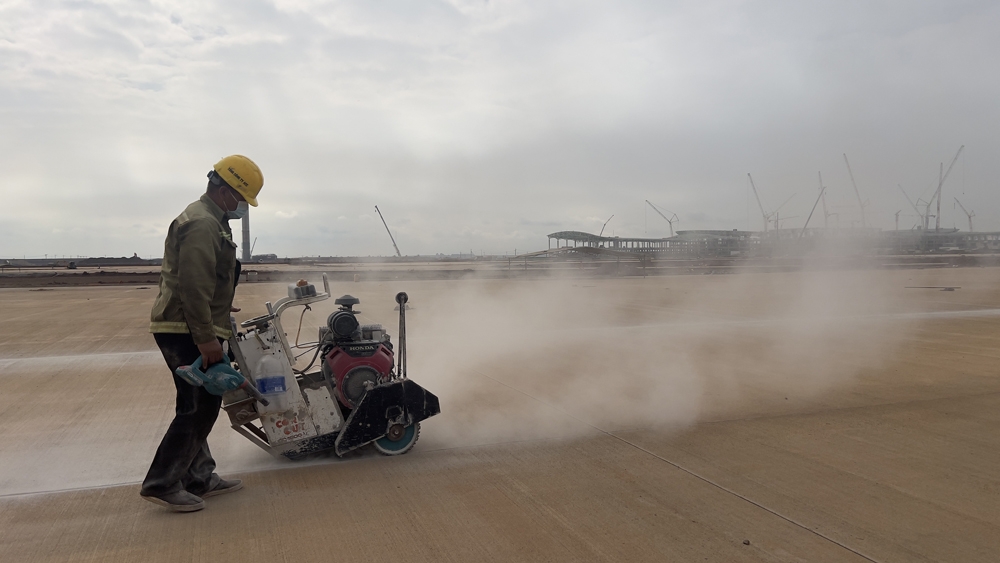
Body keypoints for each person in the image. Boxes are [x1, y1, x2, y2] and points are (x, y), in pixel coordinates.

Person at [140, 155, 263, 512]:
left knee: (202, 402)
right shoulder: (202, 224)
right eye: (241, 197)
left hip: (191, 323)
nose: (242, 206)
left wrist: (221, 307)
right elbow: (193, 285)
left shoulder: (210, 219)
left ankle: (199, 477)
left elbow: (206, 280)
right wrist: (206, 337)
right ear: (223, 191)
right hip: (185, 329)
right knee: (197, 407)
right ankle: (162, 482)